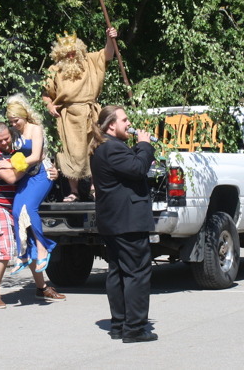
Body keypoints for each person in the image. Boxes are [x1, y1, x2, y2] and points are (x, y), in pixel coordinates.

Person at [89, 105, 157, 343]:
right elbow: (138, 169)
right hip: (127, 222)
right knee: (137, 273)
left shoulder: (105, 148)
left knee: (118, 272)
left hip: (115, 221)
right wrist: (145, 145)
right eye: (124, 120)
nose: (129, 124)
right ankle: (135, 328)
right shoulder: (113, 148)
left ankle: (119, 324)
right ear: (111, 125)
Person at [0, 122, 66, 308]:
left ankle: (41, 287)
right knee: (4, 250)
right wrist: (32, 164)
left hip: (17, 205)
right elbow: (12, 177)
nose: (4, 143)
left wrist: (49, 169)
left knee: (29, 243)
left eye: (6, 138)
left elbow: (38, 157)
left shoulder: (15, 152)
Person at [43, 27, 118, 202]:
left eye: (73, 52)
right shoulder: (54, 69)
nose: (70, 56)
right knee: (71, 153)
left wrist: (110, 38)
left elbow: (107, 54)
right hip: (67, 115)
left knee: (94, 149)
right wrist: (49, 106)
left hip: (90, 112)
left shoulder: (89, 61)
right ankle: (74, 191)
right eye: (66, 53)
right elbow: (47, 95)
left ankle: (94, 188)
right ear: (60, 54)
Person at [6, 94, 57, 273]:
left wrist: (12, 164)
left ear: (24, 115)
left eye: (16, 120)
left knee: (30, 209)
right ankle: (24, 253)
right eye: (11, 121)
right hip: (26, 176)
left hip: (43, 174)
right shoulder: (13, 133)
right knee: (17, 211)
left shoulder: (35, 129)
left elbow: (36, 156)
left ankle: (43, 248)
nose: (13, 124)